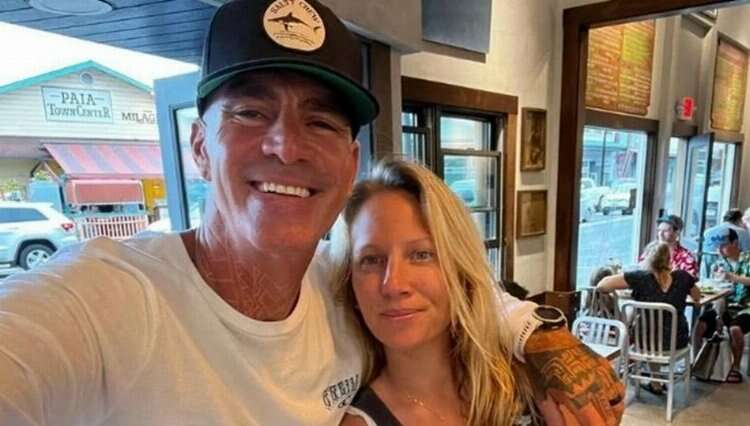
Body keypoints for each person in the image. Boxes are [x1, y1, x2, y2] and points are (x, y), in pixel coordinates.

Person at [0, 0, 623, 424]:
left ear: (349, 164)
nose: (286, 145)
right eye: (251, 112)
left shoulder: (340, 284)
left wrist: (542, 336)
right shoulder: (103, 300)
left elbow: (464, 288)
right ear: (199, 147)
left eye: (320, 121)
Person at [331, 160, 535, 425]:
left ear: (460, 270)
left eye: (421, 255)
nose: (393, 285)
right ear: (351, 285)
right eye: (371, 260)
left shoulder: (522, 384)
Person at [598, 241, 700, 394]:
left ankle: (655, 382)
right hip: (676, 342)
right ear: (669, 258)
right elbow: (697, 297)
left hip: (645, 343)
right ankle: (656, 382)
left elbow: (602, 285)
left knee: (652, 332)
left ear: (647, 258)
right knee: (661, 331)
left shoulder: (639, 278)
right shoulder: (683, 277)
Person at [696, 225, 750, 383]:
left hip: (746, 307)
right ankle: (698, 362)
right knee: (700, 325)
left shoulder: (747, 259)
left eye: (723, 245)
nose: (719, 250)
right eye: (717, 246)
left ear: (735, 243)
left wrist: (732, 277)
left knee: (735, 329)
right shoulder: (719, 263)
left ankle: (736, 367)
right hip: (724, 305)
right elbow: (716, 286)